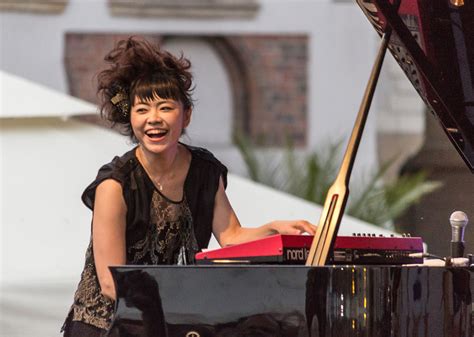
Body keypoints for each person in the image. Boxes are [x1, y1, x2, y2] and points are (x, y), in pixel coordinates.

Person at [61, 36, 316, 337]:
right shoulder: (115, 184)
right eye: (142, 110)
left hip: (163, 320)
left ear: (186, 115)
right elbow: (109, 280)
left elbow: (232, 236)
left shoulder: (204, 171)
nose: (153, 119)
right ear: (131, 118)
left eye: (164, 107)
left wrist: (273, 229)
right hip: (104, 325)